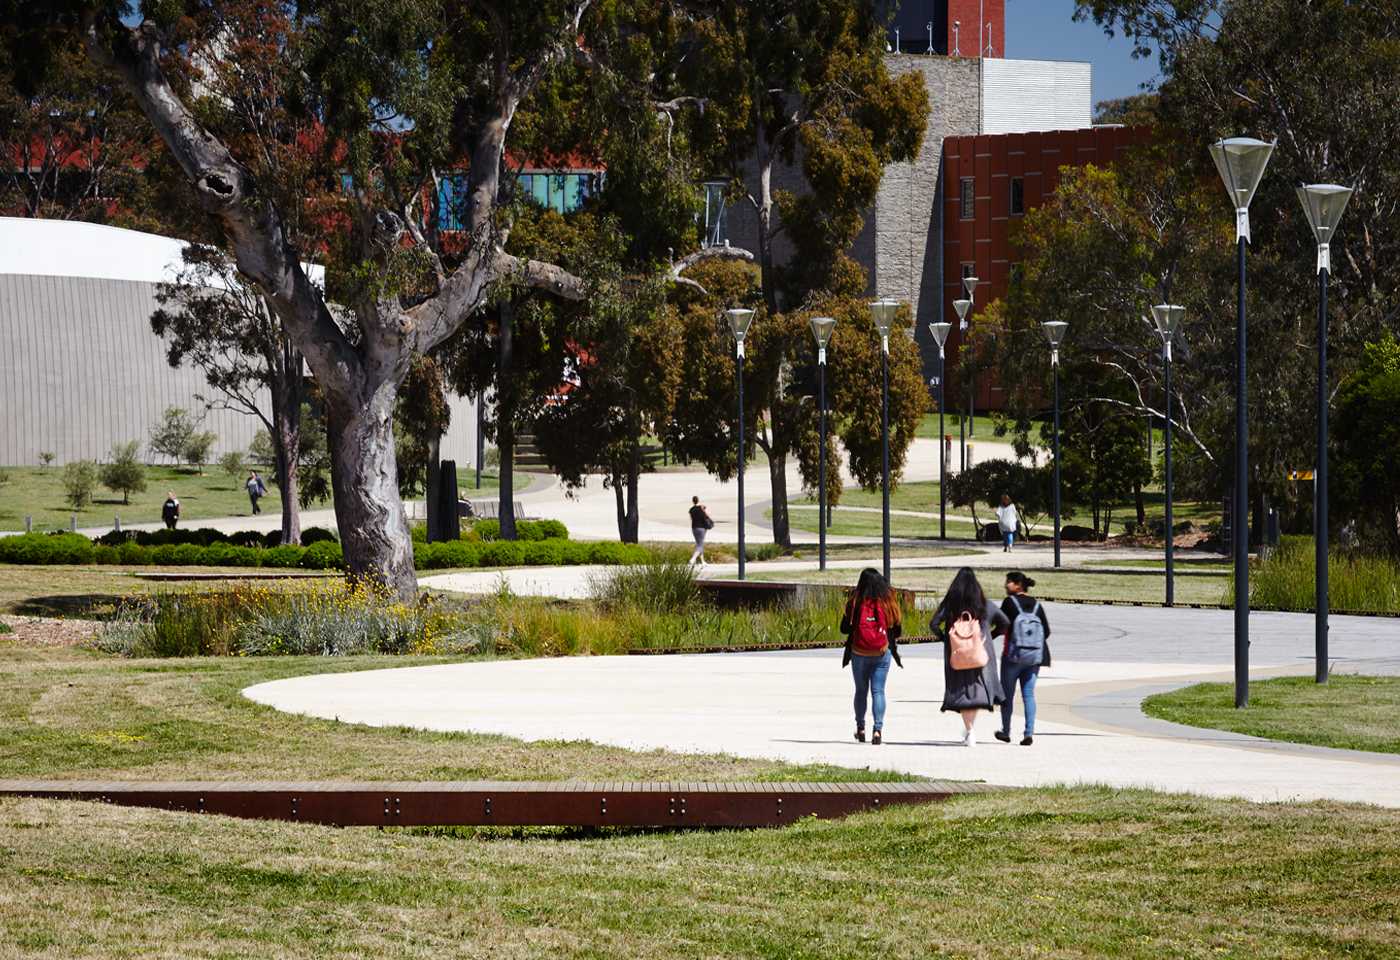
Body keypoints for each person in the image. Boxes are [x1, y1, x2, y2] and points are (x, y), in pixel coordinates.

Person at [930, 566, 1008, 746]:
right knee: (975, 692)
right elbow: (1004, 622)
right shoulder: (984, 605)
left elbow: (934, 624)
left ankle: (970, 731)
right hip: (979, 655)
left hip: (956, 656)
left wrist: (946, 639)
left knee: (962, 692)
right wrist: (990, 635)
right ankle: (970, 731)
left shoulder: (950, 605)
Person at [840, 568, 903, 744]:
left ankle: (860, 728)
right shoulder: (888, 602)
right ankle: (877, 730)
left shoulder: (854, 602)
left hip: (859, 652)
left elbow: (844, 628)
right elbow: (897, 630)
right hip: (882, 652)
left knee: (861, 691)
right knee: (878, 691)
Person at [996, 571, 1051, 747]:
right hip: (1034, 658)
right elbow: (1047, 632)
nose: (1006, 585)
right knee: (1028, 695)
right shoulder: (1037, 605)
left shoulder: (1009, 602)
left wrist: (986, 638)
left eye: (1009, 582)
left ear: (1018, 585)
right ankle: (1029, 732)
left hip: (1012, 656)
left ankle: (1005, 731)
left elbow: (1000, 626)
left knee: (1007, 695)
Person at [688, 495, 713, 566]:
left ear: (693, 501)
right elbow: (706, 516)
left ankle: (702, 561)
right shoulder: (701, 508)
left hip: (694, 528)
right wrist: (704, 511)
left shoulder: (691, 509)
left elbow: (691, 519)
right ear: (698, 500)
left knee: (699, 544)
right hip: (701, 528)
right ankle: (693, 559)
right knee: (700, 545)